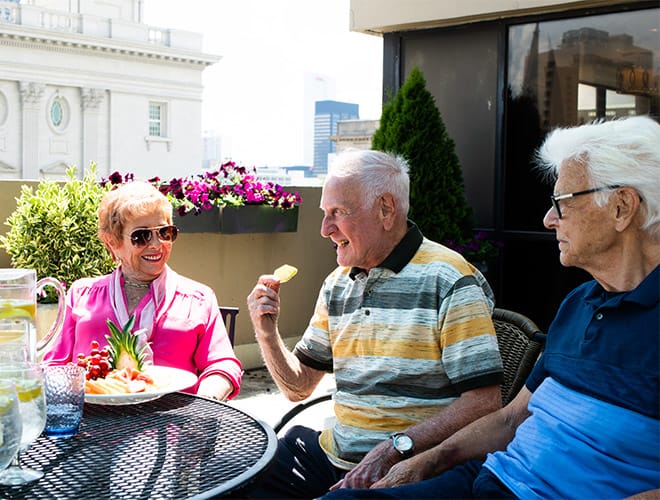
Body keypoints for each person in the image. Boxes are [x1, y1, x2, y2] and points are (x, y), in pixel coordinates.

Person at [322, 115, 660, 499]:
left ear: (622, 207)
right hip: (486, 480)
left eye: (561, 203)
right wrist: (424, 461)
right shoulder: (579, 304)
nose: (549, 220)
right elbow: (512, 417)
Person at [246, 149, 503, 498]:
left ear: (385, 209)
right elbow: (298, 388)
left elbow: (484, 402)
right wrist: (266, 332)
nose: (324, 229)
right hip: (336, 456)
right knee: (243, 472)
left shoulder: (449, 279)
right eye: (325, 214)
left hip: (414, 468)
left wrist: (397, 448)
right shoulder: (338, 284)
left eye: (338, 213)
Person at [43, 181, 242, 401]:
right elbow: (54, 365)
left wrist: (207, 398)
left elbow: (222, 365)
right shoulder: (81, 294)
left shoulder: (199, 299)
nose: (157, 244)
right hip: (93, 425)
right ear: (113, 242)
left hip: (172, 427)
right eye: (142, 236)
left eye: (165, 232)